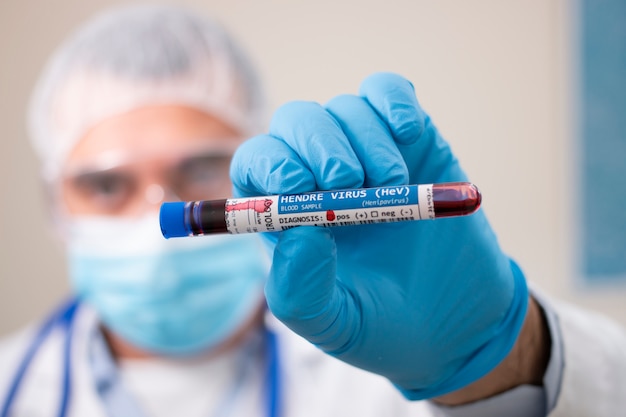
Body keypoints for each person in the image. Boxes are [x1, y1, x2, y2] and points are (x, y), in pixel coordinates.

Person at [0, 4, 624, 417]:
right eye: (107, 186)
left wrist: (502, 360)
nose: (158, 210)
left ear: (252, 166)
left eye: (198, 171)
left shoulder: (376, 370)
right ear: (58, 205)